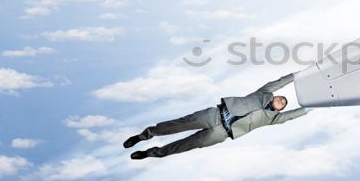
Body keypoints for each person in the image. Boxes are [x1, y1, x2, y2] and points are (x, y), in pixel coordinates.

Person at [124, 73, 308, 159]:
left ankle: (150, 153)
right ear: (275, 96)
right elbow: (279, 82)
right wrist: (297, 76)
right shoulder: (264, 92)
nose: (283, 101)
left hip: (221, 133)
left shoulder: (274, 119)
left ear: (280, 109)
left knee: (186, 145)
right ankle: (144, 135)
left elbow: (293, 115)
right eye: (282, 98)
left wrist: (311, 108)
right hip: (214, 115)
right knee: (177, 125)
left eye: (284, 104)